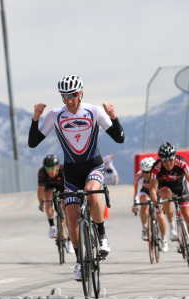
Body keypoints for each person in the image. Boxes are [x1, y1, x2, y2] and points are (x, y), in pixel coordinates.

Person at [28, 74, 125, 281]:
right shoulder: (55, 115)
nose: (68, 100)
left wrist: (113, 116)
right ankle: (80, 262)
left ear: (80, 93)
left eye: (72, 95)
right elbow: (33, 143)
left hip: (93, 165)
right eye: (64, 96)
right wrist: (36, 117)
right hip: (71, 172)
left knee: (91, 193)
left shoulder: (94, 111)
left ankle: (102, 236)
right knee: (71, 220)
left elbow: (119, 138)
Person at [149, 142, 189, 264]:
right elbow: (152, 190)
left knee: (188, 216)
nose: (168, 163)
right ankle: (172, 228)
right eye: (165, 161)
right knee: (167, 195)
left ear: (175, 157)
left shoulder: (182, 163)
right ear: (161, 160)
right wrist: (157, 203)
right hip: (165, 188)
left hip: (181, 187)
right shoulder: (156, 168)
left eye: (170, 160)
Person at [37, 154, 74, 254]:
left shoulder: (64, 171)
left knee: (67, 212)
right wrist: (41, 203)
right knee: (48, 201)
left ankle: (71, 240)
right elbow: (40, 190)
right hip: (50, 187)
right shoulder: (42, 172)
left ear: (57, 167)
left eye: (51, 168)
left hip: (64, 188)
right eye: (47, 168)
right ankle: (52, 226)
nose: (49, 171)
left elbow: (71, 186)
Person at [133, 157, 168, 252]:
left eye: (147, 172)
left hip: (157, 193)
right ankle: (145, 228)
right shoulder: (139, 176)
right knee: (143, 204)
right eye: (143, 171)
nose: (145, 174)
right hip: (145, 192)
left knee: (160, 216)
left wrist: (164, 205)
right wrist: (135, 204)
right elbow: (136, 193)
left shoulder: (158, 175)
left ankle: (164, 239)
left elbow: (164, 190)